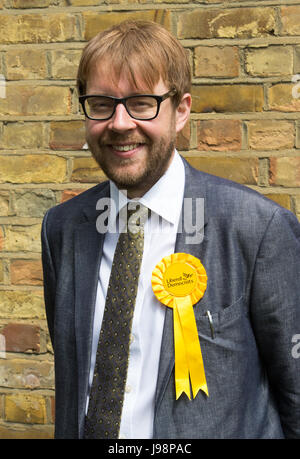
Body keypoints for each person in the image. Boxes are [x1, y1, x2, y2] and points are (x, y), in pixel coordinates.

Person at [41, 20, 300, 439]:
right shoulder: (64, 229)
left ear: (181, 111)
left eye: (142, 103)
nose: (120, 123)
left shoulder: (258, 228)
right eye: (102, 103)